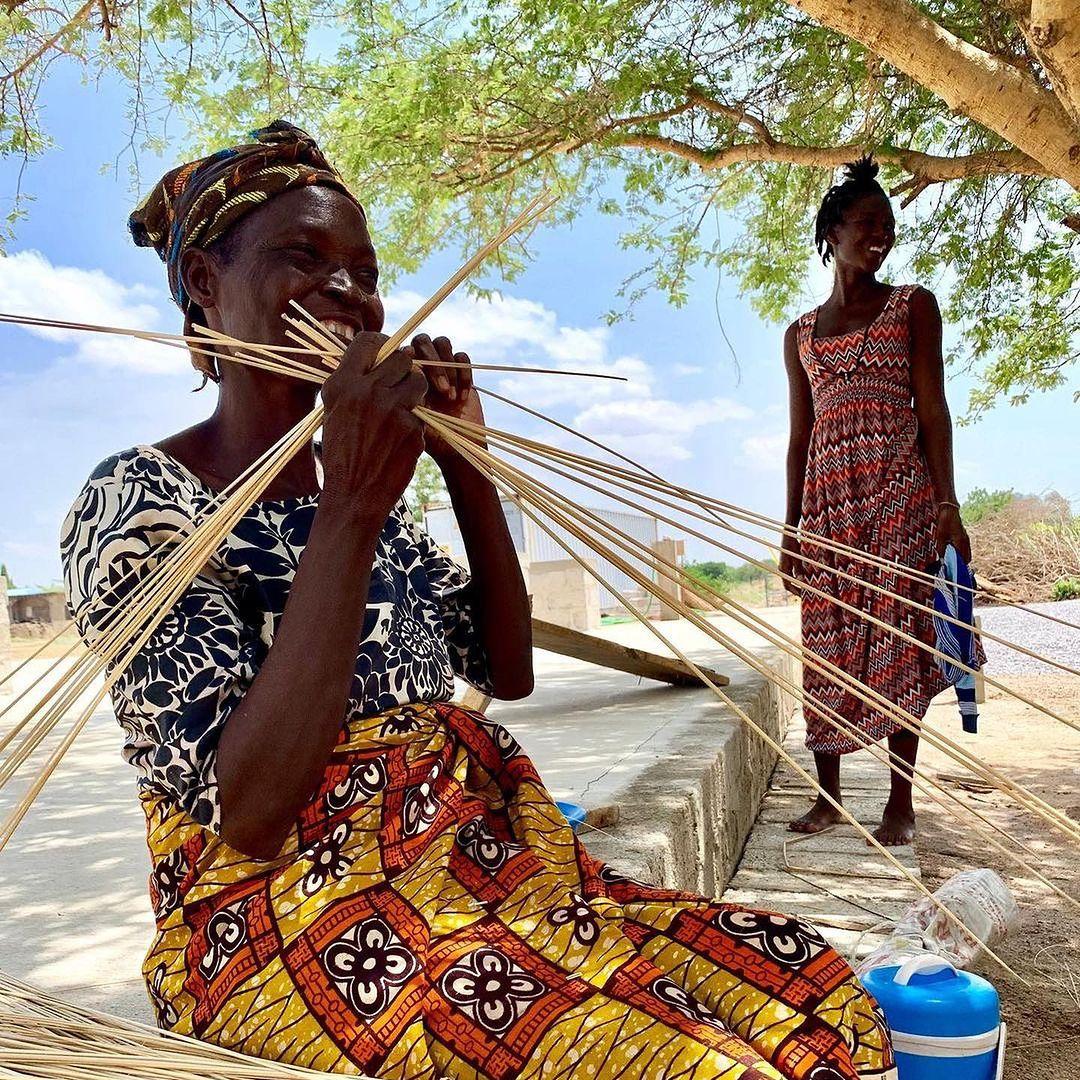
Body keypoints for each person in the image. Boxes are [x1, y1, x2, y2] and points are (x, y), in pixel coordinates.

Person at [62, 123, 895, 1079]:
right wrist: (349, 510)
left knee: (807, 979)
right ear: (206, 285)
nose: (349, 291)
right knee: (678, 1063)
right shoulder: (142, 502)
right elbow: (248, 811)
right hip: (280, 917)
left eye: (364, 270)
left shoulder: (368, 479)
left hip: (472, 866)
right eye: (305, 255)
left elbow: (507, 671)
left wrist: (468, 468)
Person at [780, 157, 973, 847]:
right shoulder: (799, 334)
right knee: (824, 642)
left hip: (898, 495)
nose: (881, 235)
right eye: (868, 223)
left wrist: (948, 506)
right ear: (833, 231)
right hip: (829, 507)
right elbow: (800, 435)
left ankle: (900, 800)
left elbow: (934, 408)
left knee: (898, 641)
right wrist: (790, 527)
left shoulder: (912, 305)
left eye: (888, 226)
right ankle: (828, 795)